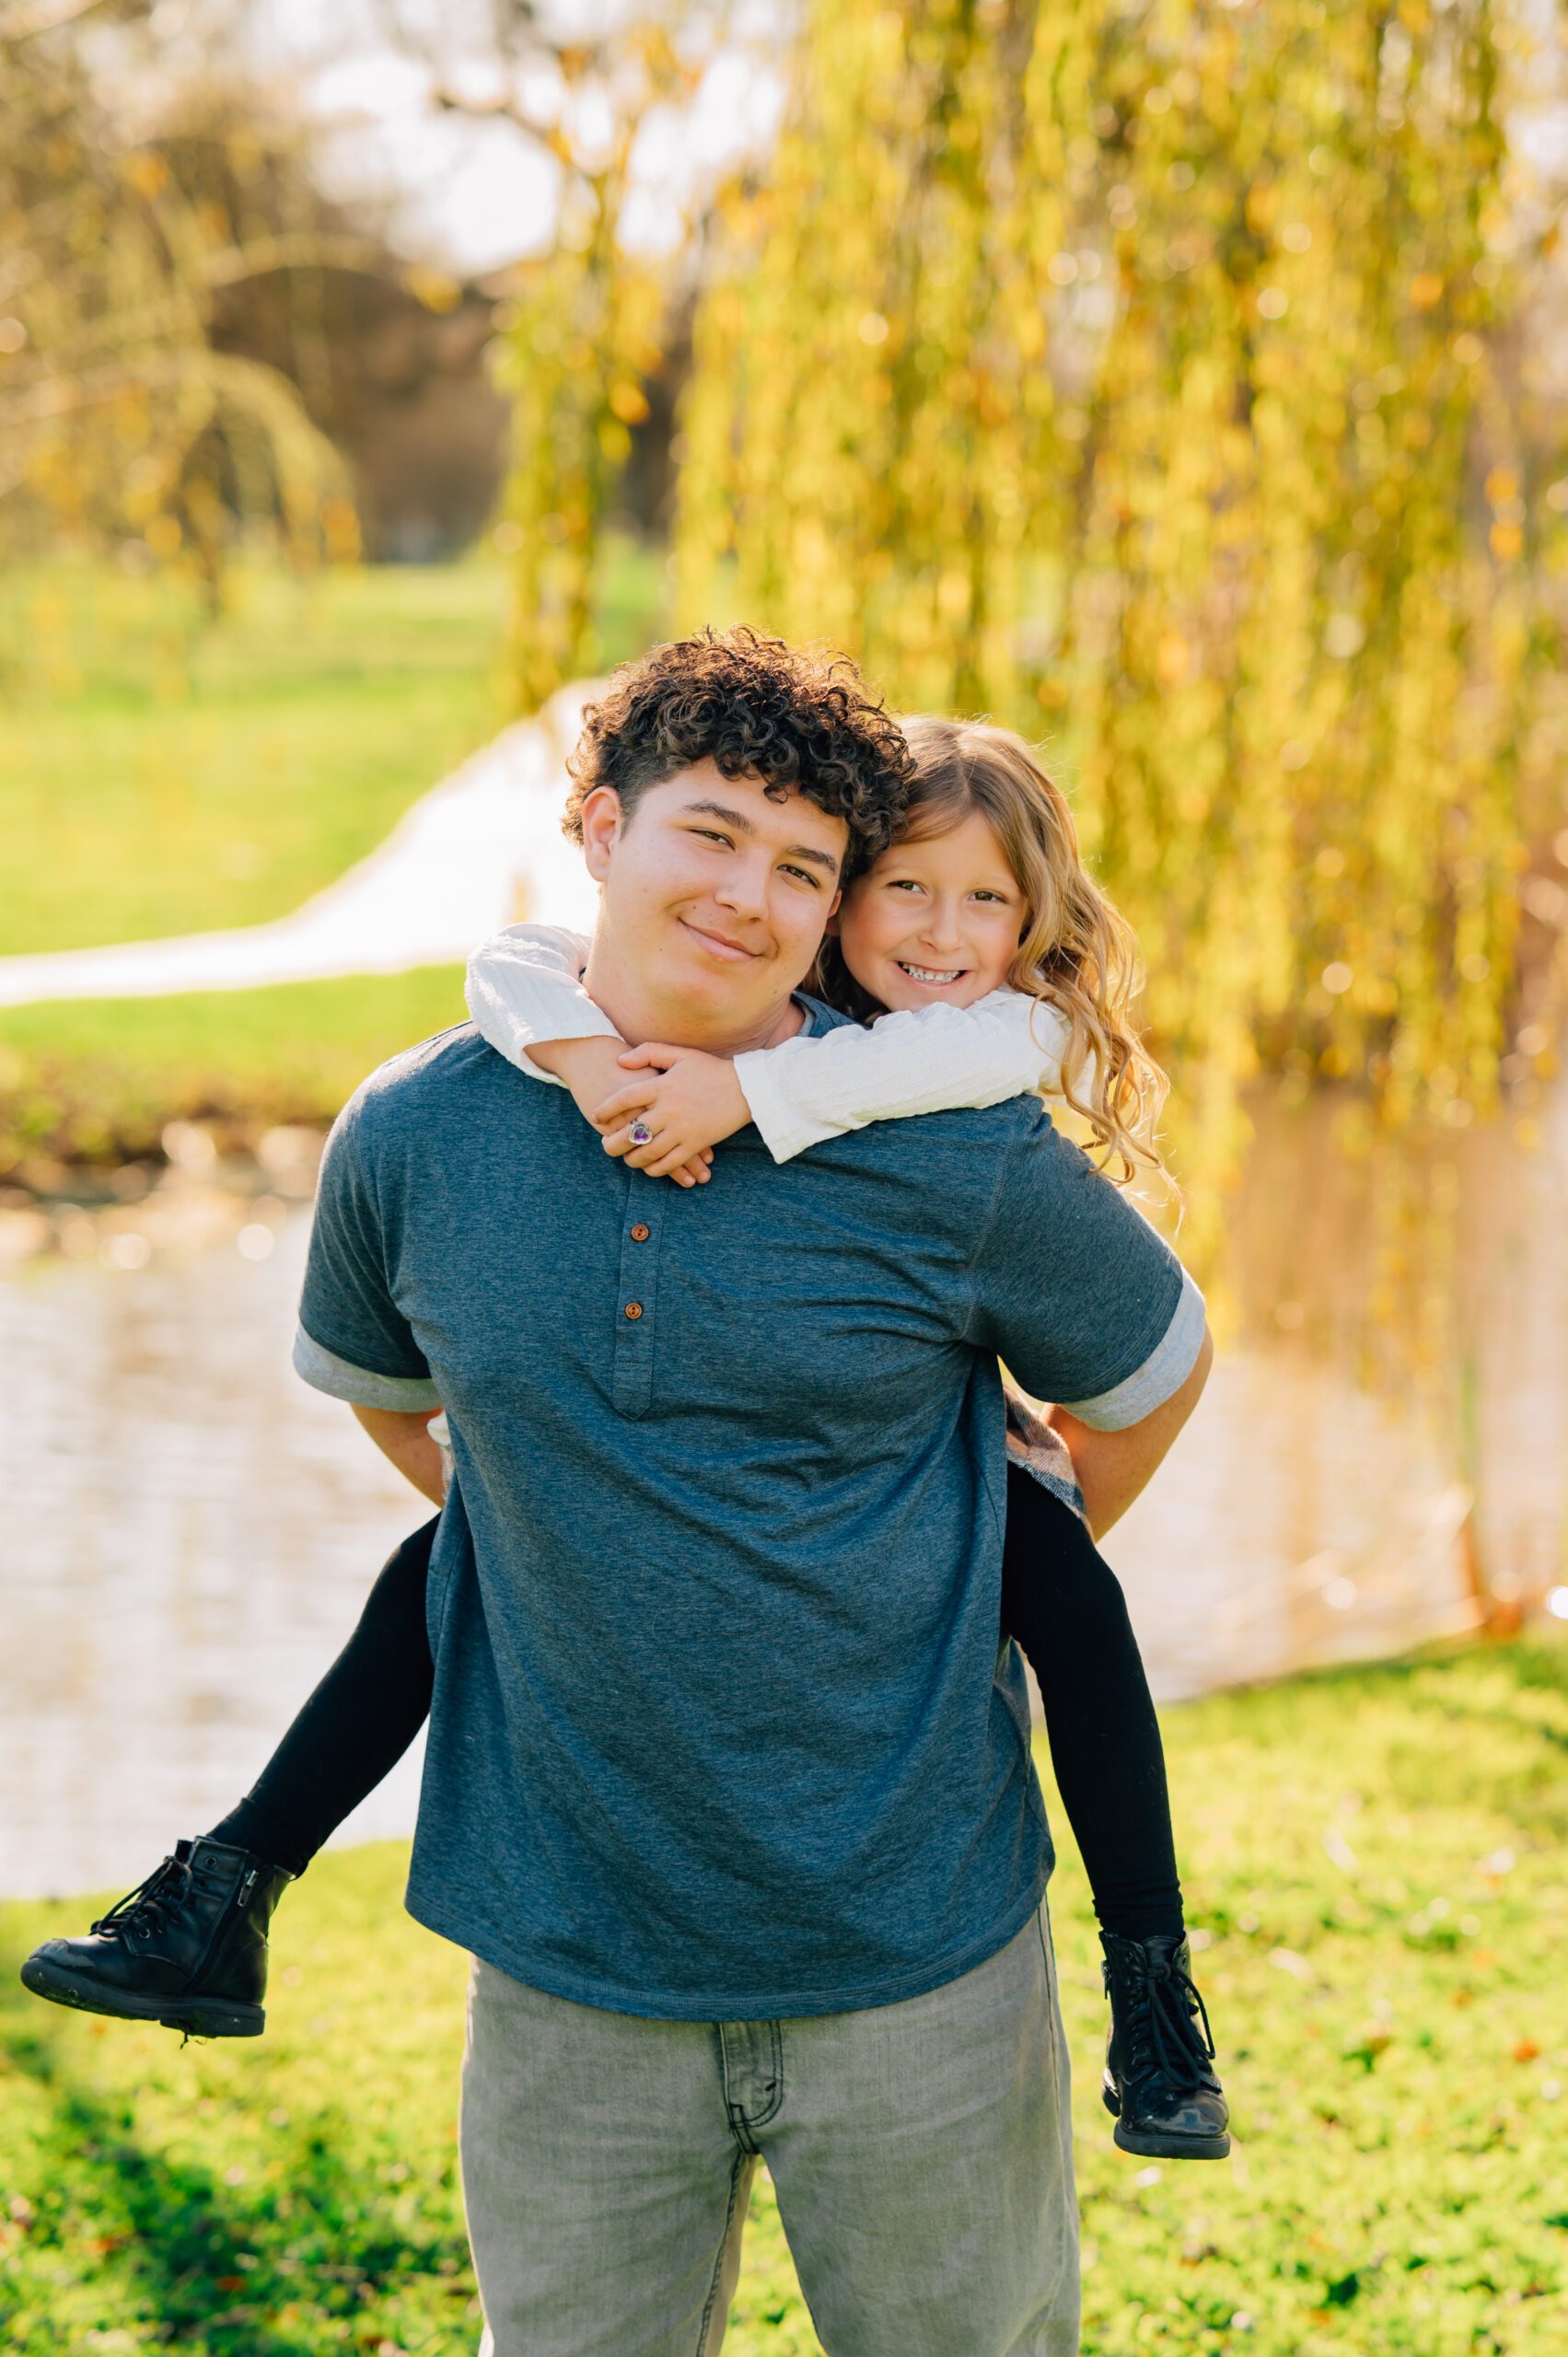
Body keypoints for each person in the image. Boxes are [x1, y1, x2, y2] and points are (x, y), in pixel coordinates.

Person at [25, 630, 1214, 2355]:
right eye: (710, 835)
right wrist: (558, 1518)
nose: (751, 897)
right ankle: (223, 1896)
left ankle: (1157, 1990)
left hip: (921, 1963)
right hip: (567, 1967)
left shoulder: (951, 1140)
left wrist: (1022, 1543)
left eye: (805, 868)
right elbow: (407, 1415)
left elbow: (1157, 1373)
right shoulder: (417, 1135)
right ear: (597, 826)